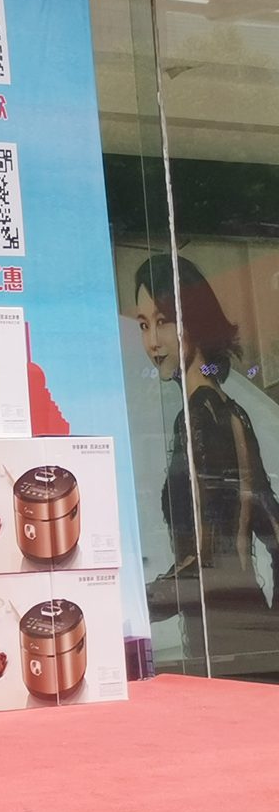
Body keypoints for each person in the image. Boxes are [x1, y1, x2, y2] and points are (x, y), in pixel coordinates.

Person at [133, 254, 278, 627]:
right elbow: (273, 528)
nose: (152, 342)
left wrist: (132, 602)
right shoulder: (230, 411)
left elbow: (205, 560)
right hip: (246, 622)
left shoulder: (199, 417)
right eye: (144, 325)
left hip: (221, 628)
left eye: (163, 321)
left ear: (193, 320)